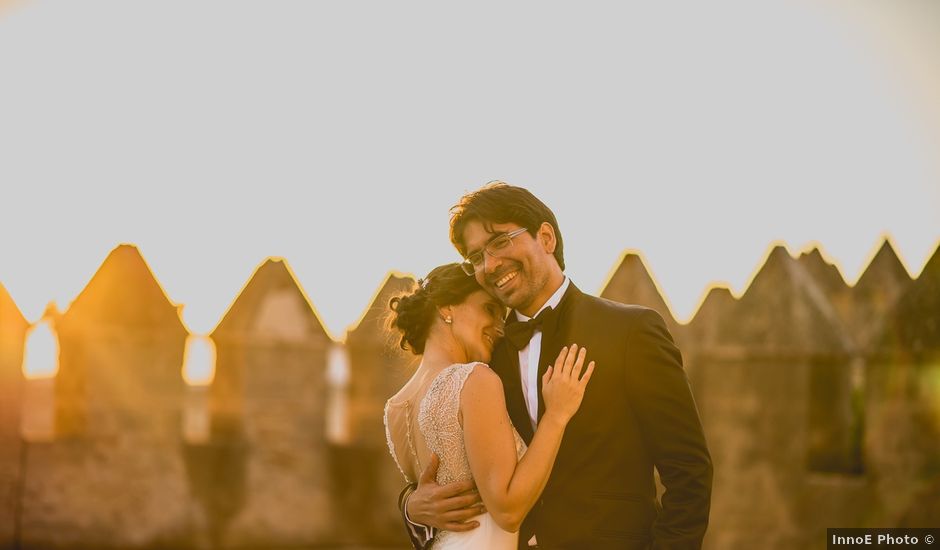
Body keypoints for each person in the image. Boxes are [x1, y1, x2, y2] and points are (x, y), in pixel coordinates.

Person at [401, 183, 713, 549]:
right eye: (476, 257)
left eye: (500, 242)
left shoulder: (630, 331)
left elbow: (689, 471)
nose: (489, 265)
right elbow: (446, 457)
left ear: (546, 237)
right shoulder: (481, 359)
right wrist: (410, 506)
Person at [384, 263, 595, 549]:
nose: (500, 329)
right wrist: (556, 415)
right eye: (490, 310)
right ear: (446, 307)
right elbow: (508, 510)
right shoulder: (474, 379)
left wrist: (410, 508)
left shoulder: (395, 408)